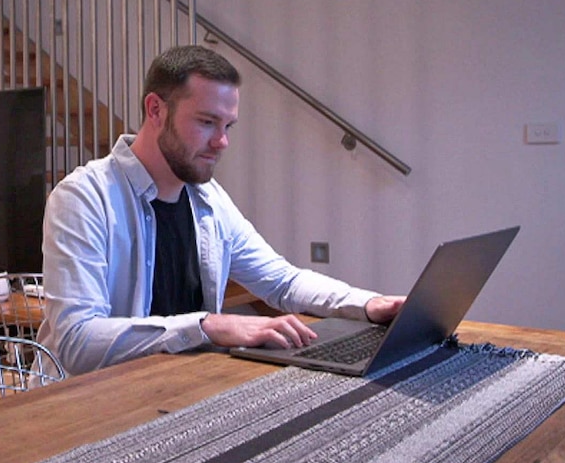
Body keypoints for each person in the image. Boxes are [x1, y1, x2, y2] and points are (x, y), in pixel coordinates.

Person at [37, 45, 404, 376]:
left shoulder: (207, 199)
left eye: (227, 125)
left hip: (175, 392)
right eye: (207, 122)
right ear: (156, 110)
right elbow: (76, 342)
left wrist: (369, 304)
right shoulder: (83, 198)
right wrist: (207, 326)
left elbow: (281, 281)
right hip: (88, 408)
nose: (222, 141)